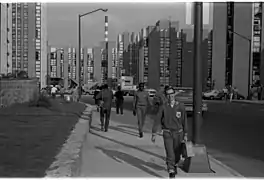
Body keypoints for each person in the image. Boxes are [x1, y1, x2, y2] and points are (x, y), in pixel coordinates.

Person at [151, 87, 188, 178]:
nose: (170, 96)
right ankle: (171, 170)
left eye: (172, 94)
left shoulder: (180, 106)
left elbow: (184, 121)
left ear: (174, 94)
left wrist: (186, 134)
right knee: (170, 152)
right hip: (167, 133)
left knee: (177, 153)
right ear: (166, 96)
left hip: (179, 133)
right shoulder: (163, 106)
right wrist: (154, 133)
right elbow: (157, 120)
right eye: (168, 94)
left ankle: (175, 164)